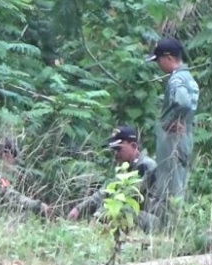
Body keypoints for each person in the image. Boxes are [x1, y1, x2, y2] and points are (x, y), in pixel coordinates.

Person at [67, 126, 161, 233]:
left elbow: (125, 195)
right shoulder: (125, 167)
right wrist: (79, 209)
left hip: (151, 220)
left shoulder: (146, 166)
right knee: (108, 206)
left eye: (119, 149)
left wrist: (98, 216)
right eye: (114, 150)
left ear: (133, 146)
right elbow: (104, 192)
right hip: (135, 215)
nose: (115, 153)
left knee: (119, 211)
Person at [145, 37, 200, 206]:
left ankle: (169, 225)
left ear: (168, 58)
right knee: (179, 181)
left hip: (173, 138)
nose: (158, 65)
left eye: (159, 60)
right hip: (185, 137)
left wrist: (172, 120)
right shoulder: (189, 78)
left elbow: (182, 102)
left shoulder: (177, 79)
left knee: (169, 184)